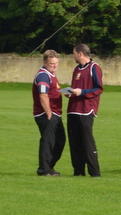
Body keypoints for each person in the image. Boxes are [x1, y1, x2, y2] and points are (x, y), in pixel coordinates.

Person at [64, 44, 103, 177]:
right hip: (73, 109)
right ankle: (78, 172)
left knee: (87, 143)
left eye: (74, 53)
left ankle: (94, 173)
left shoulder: (94, 68)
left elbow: (99, 89)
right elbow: (76, 88)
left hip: (86, 110)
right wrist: (70, 92)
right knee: (74, 143)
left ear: (80, 54)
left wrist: (82, 92)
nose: (73, 56)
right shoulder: (76, 69)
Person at [32, 49, 65, 176]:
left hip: (55, 114)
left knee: (59, 141)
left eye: (56, 63)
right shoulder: (43, 75)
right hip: (46, 114)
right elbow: (43, 95)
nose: (55, 66)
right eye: (52, 63)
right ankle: (44, 169)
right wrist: (49, 114)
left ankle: (49, 166)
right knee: (48, 141)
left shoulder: (51, 74)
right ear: (45, 62)